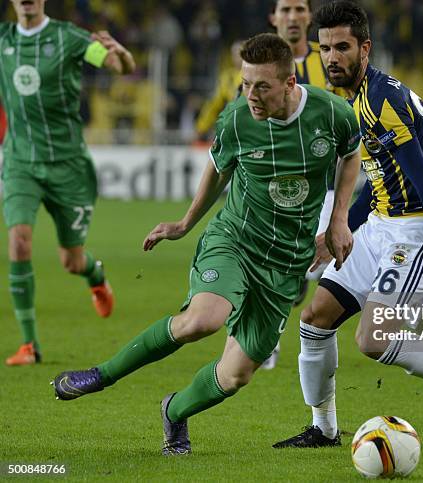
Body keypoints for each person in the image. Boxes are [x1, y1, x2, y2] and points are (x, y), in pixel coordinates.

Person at [51, 33, 362, 456]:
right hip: (235, 238)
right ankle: (100, 374)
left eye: (262, 86)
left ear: (290, 84)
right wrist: (184, 224)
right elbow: (216, 170)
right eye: (245, 84)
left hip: (287, 263)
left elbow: (350, 155)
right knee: (203, 320)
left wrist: (340, 218)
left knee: (235, 376)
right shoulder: (237, 119)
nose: (251, 95)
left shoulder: (333, 113)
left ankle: (174, 411)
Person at [273, 1, 423, 449]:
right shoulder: (354, 99)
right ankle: (323, 429)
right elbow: (378, 179)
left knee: (374, 340)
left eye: (342, 47)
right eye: (325, 49)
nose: (331, 58)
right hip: (380, 224)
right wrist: (339, 229)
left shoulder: (383, 98)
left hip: (417, 231)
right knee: (315, 318)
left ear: (365, 48)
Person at [1, 0, 135, 366]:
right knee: (19, 240)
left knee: (72, 261)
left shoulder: (69, 38)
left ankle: (95, 275)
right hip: (20, 161)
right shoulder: (3, 41)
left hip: (68, 166)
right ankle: (29, 344)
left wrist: (120, 55)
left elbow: (117, 66)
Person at [263, 0, 350, 368]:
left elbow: (350, 116)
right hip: (275, 186)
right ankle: (264, 339)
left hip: (324, 187)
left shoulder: (329, 62)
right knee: (269, 263)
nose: (293, 16)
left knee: (310, 261)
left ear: (309, 17)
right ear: (274, 18)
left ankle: (302, 297)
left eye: (300, 8)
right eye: (286, 9)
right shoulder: (258, 62)